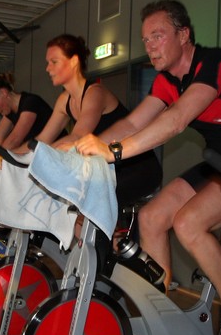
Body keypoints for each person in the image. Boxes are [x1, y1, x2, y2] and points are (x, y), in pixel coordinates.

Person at [75, 0, 221, 335]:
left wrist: (113, 152)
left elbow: (177, 120)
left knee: (187, 223)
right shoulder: (168, 80)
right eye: (145, 40)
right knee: (151, 218)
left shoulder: (217, 63)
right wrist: (83, 151)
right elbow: (133, 124)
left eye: (158, 36)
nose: (150, 46)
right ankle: (162, 320)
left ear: (184, 35)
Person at [34, 34, 162, 208]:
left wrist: (42, 154)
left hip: (136, 167)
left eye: (54, 62)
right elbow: (42, 140)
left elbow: (78, 136)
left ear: (74, 61)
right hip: (107, 168)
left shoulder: (95, 93)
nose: (48, 68)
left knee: (84, 201)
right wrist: (13, 156)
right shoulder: (64, 100)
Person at [0, 74, 54, 153]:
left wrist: (0, 155)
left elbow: (14, 139)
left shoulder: (30, 103)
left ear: (3, 92)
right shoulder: (10, 111)